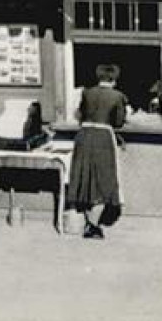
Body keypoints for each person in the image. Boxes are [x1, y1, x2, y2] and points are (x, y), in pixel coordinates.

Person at [67, 64, 128, 240]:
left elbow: (80, 114)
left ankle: (88, 220)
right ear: (114, 80)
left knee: (85, 177)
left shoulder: (87, 93)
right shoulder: (117, 96)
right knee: (104, 180)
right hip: (102, 137)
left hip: (84, 135)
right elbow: (118, 122)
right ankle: (93, 226)